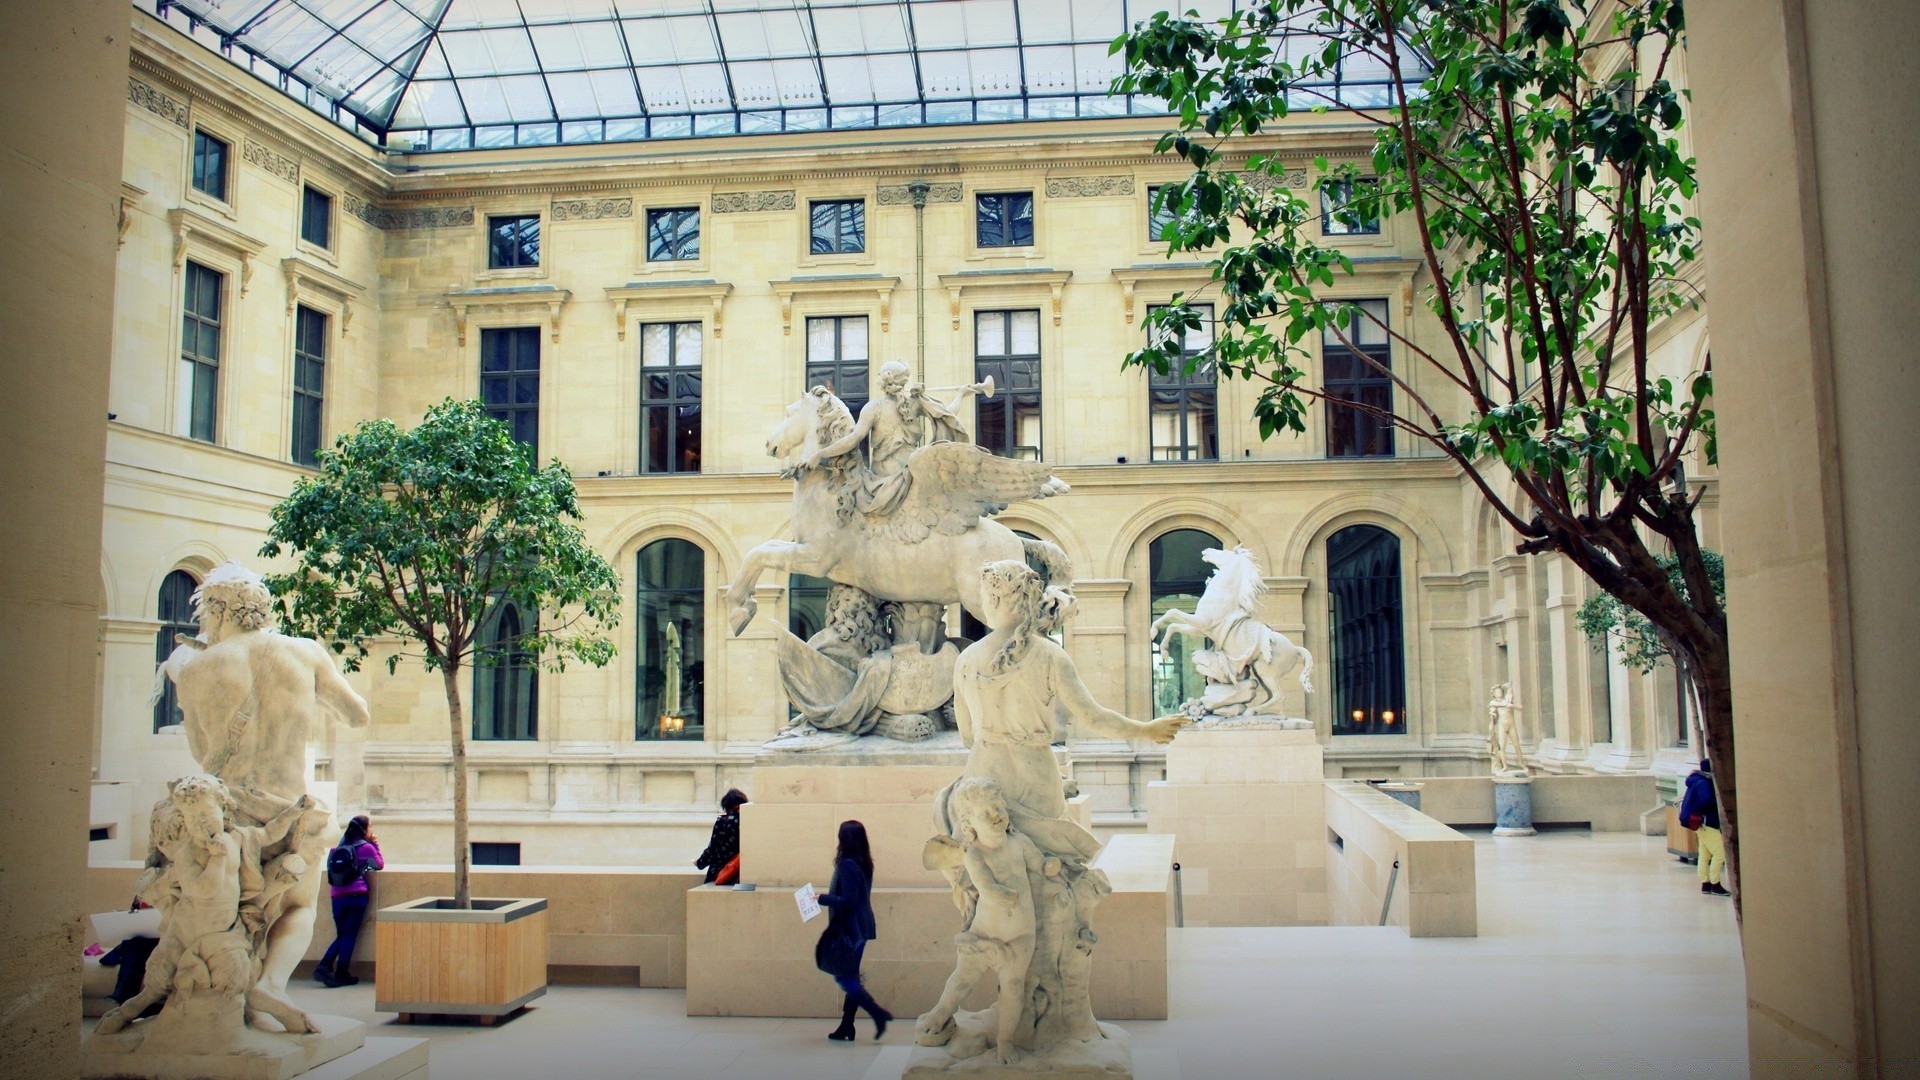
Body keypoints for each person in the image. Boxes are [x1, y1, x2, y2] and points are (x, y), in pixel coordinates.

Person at [815, 819, 891, 1042]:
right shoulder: (864, 862)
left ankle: (860, 1019)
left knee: (848, 977)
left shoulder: (847, 864)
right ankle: (848, 1024)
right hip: (860, 925)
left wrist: (821, 898)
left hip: (851, 927)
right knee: (850, 975)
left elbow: (848, 899)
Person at [316, 815, 383, 986]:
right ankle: (339, 972)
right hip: (356, 895)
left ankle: (325, 967)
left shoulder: (338, 848)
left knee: (342, 935)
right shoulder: (366, 847)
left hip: (336, 896)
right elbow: (379, 864)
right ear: (365, 829)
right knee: (349, 935)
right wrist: (374, 843)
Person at [1679, 759, 1729, 896]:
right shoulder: (1705, 783)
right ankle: (1715, 883)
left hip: (1699, 824)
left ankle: (1705, 883)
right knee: (1720, 853)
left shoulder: (1695, 780)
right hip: (1708, 822)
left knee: (1705, 853)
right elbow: (1706, 801)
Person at [695, 788, 748, 884]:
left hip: (720, 872)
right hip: (740, 874)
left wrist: (699, 863)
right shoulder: (747, 820)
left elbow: (713, 848)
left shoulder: (723, 821)